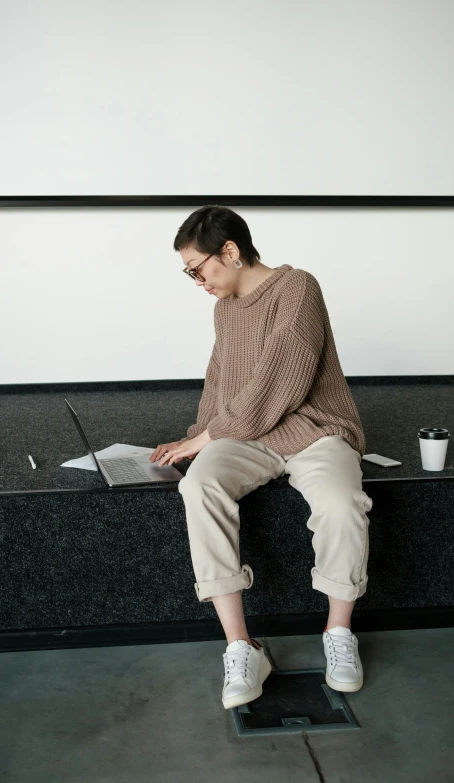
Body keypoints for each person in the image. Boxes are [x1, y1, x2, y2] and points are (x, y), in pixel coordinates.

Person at [149, 205, 373, 710]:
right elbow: (221, 378)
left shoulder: (298, 288)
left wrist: (210, 435)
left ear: (229, 251)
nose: (197, 281)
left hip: (314, 429)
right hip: (246, 436)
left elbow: (283, 375)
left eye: (197, 268)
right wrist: (198, 437)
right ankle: (240, 646)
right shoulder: (224, 305)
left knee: (342, 502)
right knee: (199, 485)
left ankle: (338, 634)